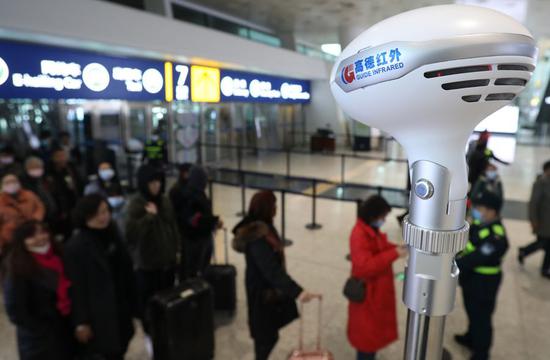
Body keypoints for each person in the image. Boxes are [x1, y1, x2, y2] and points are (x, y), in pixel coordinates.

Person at [232, 190, 318, 360]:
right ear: (266, 208)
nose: (276, 209)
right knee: (265, 337)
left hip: (266, 291)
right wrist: (297, 292)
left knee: (268, 334)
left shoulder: (264, 227)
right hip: (261, 293)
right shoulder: (257, 237)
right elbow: (271, 270)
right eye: (274, 206)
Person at [64, 194, 137, 360]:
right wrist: (81, 321)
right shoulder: (75, 246)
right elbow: (76, 287)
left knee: (121, 345)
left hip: (120, 305)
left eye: (105, 211)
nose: (103, 217)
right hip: (99, 312)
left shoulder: (114, 233)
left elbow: (126, 269)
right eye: (97, 213)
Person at [1, 221, 75, 360]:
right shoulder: (16, 265)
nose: (40, 238)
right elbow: (15, 310)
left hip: (65, 329)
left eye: (43, 232)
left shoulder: (59, 255)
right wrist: (41, 330)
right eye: (32, 236)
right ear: (22, 241)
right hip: (40, 340)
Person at [347, 195, 407, 360]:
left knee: (372, 337)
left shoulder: (370, 230)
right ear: (373, 215)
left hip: (376, 292)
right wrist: (394, 254)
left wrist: (397, 248)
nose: (383, 220)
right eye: (382, 217)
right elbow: (364, 267)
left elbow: (379, 246)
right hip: (367, 295)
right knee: (366, 341)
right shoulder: (359, 234)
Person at [125, 164, 179, 335]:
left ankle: (167, 330)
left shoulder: (165, 200)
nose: (156, 186)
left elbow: (173, 226)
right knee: (150, 304)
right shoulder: (136, 204)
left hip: (167, 262)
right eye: (151, 183)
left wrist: (177, 250)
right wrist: (149, 217)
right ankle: (152, 333)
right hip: (148, 266)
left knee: (167, 299)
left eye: (158, 182)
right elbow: (131, 235)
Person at [455, 191, 509, 360]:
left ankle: (481, 353)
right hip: (472, 279)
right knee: (472, 311)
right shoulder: (480, 224)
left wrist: (454, 265)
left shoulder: (496, 235)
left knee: (482, 318)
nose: (476, 211)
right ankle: (470, 338)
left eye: (480, 208)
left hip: (484, 283)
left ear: (492, 211)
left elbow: (476, 258)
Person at [177, 165, 221, 277]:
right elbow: (195, 221)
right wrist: (213, 221)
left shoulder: (199, 192)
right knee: (194, 271)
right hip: (195, 241)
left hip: (204, 238)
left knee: (203, 268)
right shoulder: (189, 195)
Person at [518, 160, 550, 278]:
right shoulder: (540, 183)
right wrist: (534, 220)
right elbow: (533, 204)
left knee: (545, 244)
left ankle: (544, 268)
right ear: (547, 170)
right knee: (543, 243)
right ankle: (525, 251)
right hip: (543, 221)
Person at [0, 173, 45, 252]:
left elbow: (39, 206)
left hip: (32, 232)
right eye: (8, 182)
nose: (11, 185)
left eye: (13, 181)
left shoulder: (29, 195)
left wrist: (35, 219)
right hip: (12, 238)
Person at [46, 146, 84, 241]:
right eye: (58, 156)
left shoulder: (71, 168)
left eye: (63, 155)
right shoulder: (49, 173)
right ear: (53, 158)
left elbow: (79, 183)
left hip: (74, 203)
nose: (62, 158)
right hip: (60, 208)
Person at [169, 162, 193, 279]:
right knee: (184, 261)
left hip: (189, 229)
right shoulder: (176, 189)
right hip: (181, 229)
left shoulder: (189, 187)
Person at [85, 161, 126, 231]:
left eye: (108, 168)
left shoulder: (115, 182)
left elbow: (123, 196)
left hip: (118, 217)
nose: (107, 171)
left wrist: (121, 200)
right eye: (104, 169)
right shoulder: (92, 187)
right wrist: (107, 202)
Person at [21, 157, 58, 224]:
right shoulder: (24, 184)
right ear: (26, 169)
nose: (37, 169)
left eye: (39, 167)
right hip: (37, 218)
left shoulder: (44, 179)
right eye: (33, 167)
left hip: (51, 215)